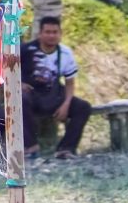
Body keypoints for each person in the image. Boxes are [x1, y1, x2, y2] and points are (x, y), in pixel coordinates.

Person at [20, 16, 92, 160]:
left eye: (55, 32)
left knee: (83, 107)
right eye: (47, 32)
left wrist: (66, 104)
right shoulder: (26, 50)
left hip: (54, 95)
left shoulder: (65, 53)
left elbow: (70, 82)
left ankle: (66, 149)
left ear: (60, 34)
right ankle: (30, 146)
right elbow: (6, 71)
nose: (51, 36)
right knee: (20, 99)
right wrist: (19, 84)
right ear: (40, 33)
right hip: (31, 96)